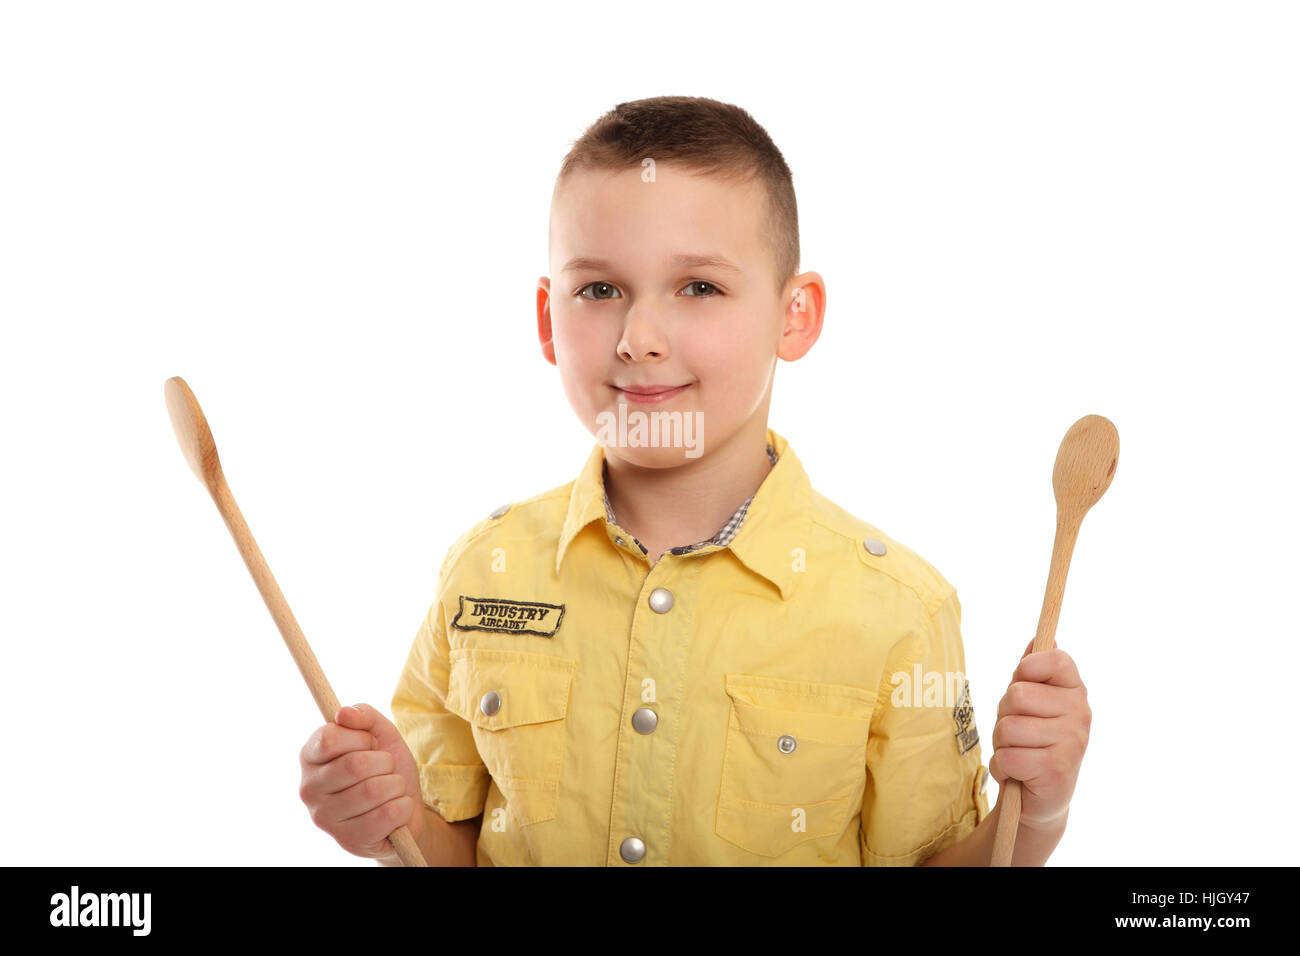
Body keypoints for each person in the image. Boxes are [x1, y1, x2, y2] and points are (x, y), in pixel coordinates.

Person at [298, 95, 1091, 866]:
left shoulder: (899, 613)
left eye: (699, 288)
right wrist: (391, 817)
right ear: (547, 319)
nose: (640, 339)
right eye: (599, 290)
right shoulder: (482, 568)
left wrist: (1043, 811)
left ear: (795, 315)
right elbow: (457, 848)